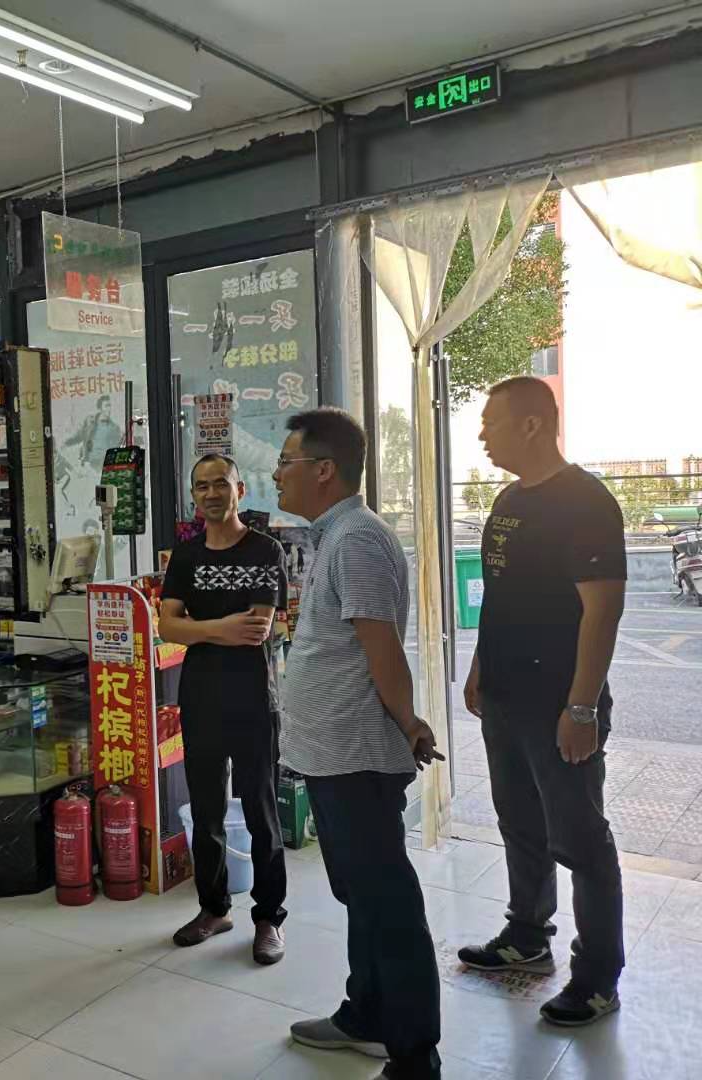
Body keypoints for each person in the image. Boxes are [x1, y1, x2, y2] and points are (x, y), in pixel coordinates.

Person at [273, 409, 444, 1080]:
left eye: (286, 460)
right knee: (360, 894)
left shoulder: (357, 540)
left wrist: (409, 723)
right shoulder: (335, 535)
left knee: (385, 900)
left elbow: (383, 650)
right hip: (332, 751)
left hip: (356, 752)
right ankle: (366, 1014)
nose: (276, 473)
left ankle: (414, 1052)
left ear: (324, 470)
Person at [458, 376, 627, 1027]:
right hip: (504, 696)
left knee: (580, 838)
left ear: (531, 424)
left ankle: (598, 976)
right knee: (519, 821)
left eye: (491, 422)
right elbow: (498, 596)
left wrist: (581, 708)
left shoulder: (586, 501)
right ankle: (527, 935)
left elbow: (603, 610)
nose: (482, 434)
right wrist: (480, 666)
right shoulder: (507, 499)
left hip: (559, 703)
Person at [159, 454, 289, 963]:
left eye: (220, 484)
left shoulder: (264, 550)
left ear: (239, 490)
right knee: (207, 810)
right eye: (201, 486)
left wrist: (197, 628)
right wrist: (218, 629)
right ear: (194, 495)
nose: (211, 493)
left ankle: (268, 918)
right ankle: (214, 909)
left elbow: (256, 628)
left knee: (261, 810)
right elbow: (166, 626)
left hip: (252, 696)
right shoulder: (186, 556)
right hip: (201, 696)